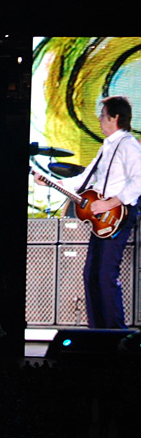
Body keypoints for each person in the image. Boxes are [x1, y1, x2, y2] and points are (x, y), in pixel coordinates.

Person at [35, 96, 141, 328]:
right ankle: (97, 330)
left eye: (103, 115)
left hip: (118, 215)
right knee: (91, 274)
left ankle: (115, 332)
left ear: (115, 118)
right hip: (101, 219)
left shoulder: (129, 145)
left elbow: (138, 181)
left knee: (105, 274)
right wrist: (52, 182)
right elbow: (84, 179)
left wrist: (109, 204)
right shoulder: (107, 147)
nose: (99, 119)